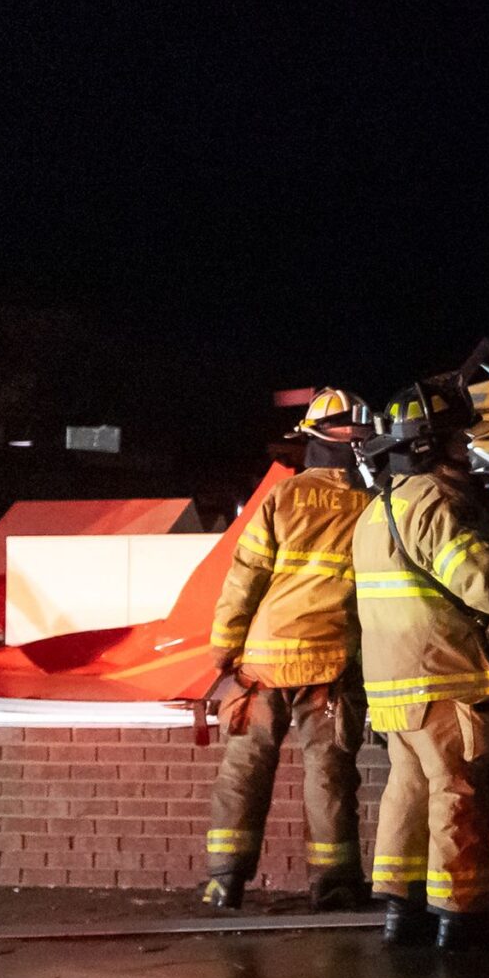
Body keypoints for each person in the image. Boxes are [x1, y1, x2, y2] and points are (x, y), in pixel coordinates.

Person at [352, 379, 489, 953]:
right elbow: (487, 586)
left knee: (409, 792)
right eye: (456, 440)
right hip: (446, 679)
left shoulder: (377, 510)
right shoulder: (437, 503)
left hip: (393, 687)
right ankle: (463, 921)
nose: (466, 450)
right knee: (461, 794)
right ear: (431, 444)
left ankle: (405, 915)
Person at [202, 388, 374, 911]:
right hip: (330, 665)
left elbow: (244, 578)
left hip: (263, 661)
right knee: (329, 772)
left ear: (312, 440)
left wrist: (224, 651)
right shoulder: (372, 507)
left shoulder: (281, 498)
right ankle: (334, 882)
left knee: (244, 768)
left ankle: (223, 880)